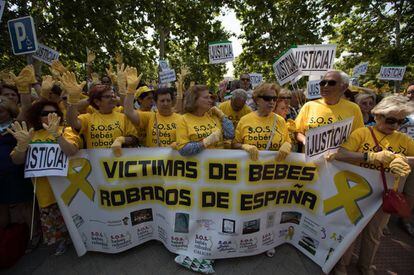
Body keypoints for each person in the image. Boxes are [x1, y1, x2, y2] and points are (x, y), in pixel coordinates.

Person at [328, 94, 414, 275]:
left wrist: (403, 159)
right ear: (377, 116)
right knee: (351, 231)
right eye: (391, 120)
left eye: (401, 121)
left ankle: (365, 266)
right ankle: (341, 266)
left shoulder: (404, 139)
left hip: (384, 195)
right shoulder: (362, 133)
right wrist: (371, 156)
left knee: (374, 234)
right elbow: (341, 154)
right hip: (356, 192)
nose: (395, 126)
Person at [8, 100, 81, 255]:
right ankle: (62, 242)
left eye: (52, 113)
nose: (49, 116)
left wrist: (57, 136)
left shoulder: (66, 130)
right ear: (37, 116)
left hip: (67, 186)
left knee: (74, 216)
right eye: (44, 113)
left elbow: (72, 151)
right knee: (53, 220)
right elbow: (17, 160)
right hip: (44, 189)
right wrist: (22, 146)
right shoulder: (31, 134)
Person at [64, 72, 138, 154]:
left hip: (118, 163)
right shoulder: (88, 118)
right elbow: (72, 122)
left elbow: (134, 138)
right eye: (107, 97)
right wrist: (73, 100)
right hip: (96, 164)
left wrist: (122, 140)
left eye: (113, 96)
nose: (113, 99)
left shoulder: (123, 117)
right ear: (97, 102)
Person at [295, 70, 364, 146]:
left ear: (344, 87)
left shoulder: (353, 108)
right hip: (311, 157)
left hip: (340, 157)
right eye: (323, 83)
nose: (325, 86)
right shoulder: (309, 106)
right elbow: (297, 132)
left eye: (331, 83)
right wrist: (305, 140)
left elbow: (359, 136)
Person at [233, 82, 291, 162]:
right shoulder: (244, 120)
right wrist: (244, 146)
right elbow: (234, 144)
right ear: (257, 100)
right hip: (250, 169)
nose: (272, 102)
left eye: (274, 99)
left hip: (273, 170)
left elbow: (288, 141)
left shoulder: (280, 120)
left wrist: (287, 145)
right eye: (267, 98)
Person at [0, 96, 34, 234]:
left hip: (16, 171)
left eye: (0, 111)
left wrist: (24, 91)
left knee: (24, 205)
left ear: (9, 111)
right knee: (2, 206)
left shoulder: (17, 124)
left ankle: (33, 234)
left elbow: (26, 107)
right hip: (1, 174)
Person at [176, 84, 234, 156]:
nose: (210, 100)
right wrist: (205, 142)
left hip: (218, 164)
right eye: (206, 97)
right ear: (194, 100)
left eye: (210, 97)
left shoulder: (212, 115)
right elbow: (183, 150)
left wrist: (222, 115)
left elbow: (230, 134)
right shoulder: (183, 120)